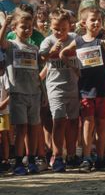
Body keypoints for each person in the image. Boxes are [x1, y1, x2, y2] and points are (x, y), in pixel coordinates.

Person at [60, 3, 105, 172]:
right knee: (88, 123)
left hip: (102, 89)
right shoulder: (79, 41)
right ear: (84, 23)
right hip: (86, 89)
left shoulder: (101, 41)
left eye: (99, 20)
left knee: (102, 125)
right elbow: (63, 53)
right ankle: (86, 157)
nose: (96, 23)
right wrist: (74, 68)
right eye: (93, 20)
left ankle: (101, 157)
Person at [0, 10, 42, 175]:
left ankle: (31, 159)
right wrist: (4, 25)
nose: (27, 30)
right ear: (14, 28)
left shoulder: (34, 48)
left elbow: (37, 72)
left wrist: (43, 93)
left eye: (29, 27)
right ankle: (18, 161)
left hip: (34, 93)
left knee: (33, 128)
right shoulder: (11, 45)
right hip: (17, 94)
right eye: (23, 27)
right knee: (21, 127)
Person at [39, 10, 79, 172]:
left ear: (69, 26)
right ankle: (57, 156)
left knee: (74, 121)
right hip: (55, 88)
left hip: (74, 87)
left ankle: (71, 155)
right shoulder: (48, 41)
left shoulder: (75, 39)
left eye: (63, 28)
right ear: (51, 27)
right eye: (56, 29)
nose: (60, 32)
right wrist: (52, 52)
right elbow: (42, 58)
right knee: (59, 120)